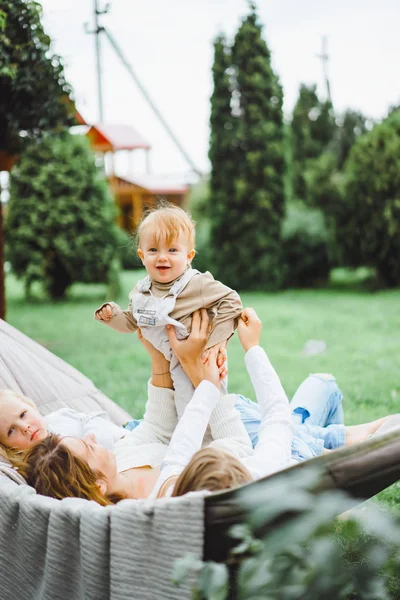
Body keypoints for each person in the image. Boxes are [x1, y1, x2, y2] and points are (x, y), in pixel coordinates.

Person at [16, 309, 391, 505]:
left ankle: (334, 455)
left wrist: (171, 363)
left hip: (244, 429)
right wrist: (234, 362)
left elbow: (169, 434)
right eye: (89, 447)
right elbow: (206, 441)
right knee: (331, 405)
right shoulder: (171, 492)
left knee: (322, 389)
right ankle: (336, 464)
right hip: (278, 451)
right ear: (96, 483)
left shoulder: (155, 474)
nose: (96, 437)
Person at [94, 201, 243, 420]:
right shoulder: (142, 292)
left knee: (205, 413)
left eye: (172, 250)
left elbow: (232, 300)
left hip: (200, 359)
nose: (162, 257)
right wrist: (112, 316)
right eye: (153, 250)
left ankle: (214, 447)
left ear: (189, 256)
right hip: (167, 364)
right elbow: (131, 322)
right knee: (172, 416)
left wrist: (217, 342)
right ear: (142, 256)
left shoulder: (196, 284)